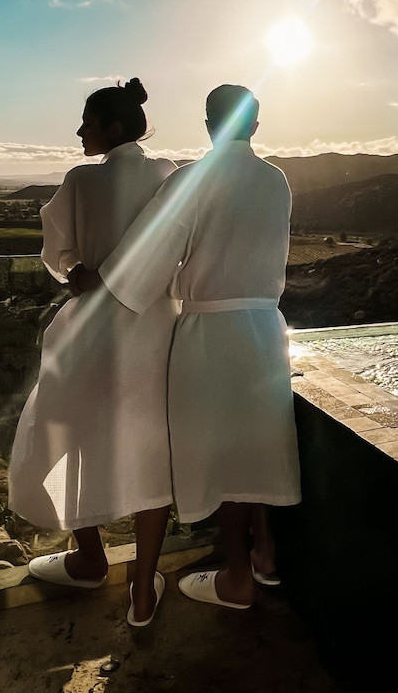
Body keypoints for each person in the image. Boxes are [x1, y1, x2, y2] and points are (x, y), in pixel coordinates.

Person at [86, 84, 301, 609]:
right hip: (265, 330)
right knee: (258, 444)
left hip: (210, 333)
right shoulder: (277, 180)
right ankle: (264, 555)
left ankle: (236, 579)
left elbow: (145, 258)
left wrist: (96, 280)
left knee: (222, 457)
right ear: (255, 125)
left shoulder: (191, 180)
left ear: (209, 125)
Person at [8, 79, 178, 626]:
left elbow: (58, 253)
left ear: (114, 127)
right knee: (151, 447)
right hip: (155, 329)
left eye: (88, 121)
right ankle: (142, 593)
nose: (80, 131)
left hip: (94, 329)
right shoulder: (168, 174)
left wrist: (78, 273)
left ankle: (89, 557)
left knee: (70, 432)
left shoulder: (81, 181)